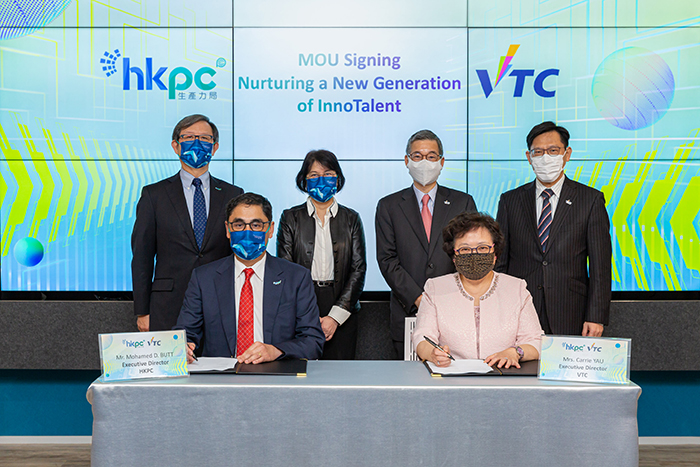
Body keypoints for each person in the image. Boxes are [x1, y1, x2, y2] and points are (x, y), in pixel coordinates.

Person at [175, 193, 325, 363]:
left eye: (256, 225)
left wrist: (275, 351)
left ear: (270, 229)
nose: (247, 232)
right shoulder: (204, 278)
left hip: (276, 374)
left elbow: (313, 341)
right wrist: (183, 347)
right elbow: (185, 332)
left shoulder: (296, 277)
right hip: (221, 379)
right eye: (239, 225)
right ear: (228, 229)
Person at [495, 121, 612, 337]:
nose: (545, 158)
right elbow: (500, 262)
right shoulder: (510, 200)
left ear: (566, 154)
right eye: (538, 152)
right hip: (519, 309)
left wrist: (596, 316)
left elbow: (600, 266)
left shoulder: (590, 200)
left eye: (553, 151)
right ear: (529, 157)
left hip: (571, 311)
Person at [131, 114, 243, 332]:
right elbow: (142, 257)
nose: (197, 143)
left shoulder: (233, 194)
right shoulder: (154, 195)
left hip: (221, 302)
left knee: (220, 365)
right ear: (176, 146)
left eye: (204, 138)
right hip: (168, 305)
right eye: (189, 137)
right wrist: (143, 311)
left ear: (215, 146)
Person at [376, 129, 477, 359]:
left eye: (431, 157)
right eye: (417, 156)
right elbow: (387, 259)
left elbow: (469, 256)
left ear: (441, 162)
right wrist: (419, 298)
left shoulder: (463, 202)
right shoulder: (388, 206)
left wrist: (445, 298)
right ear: (406, 160)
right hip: (408, 312)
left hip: (455, 311)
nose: (424, 162)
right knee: (409, 385)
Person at [414, 212, 543, 368]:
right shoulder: (435, 288)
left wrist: (515, 352)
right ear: (454, 256)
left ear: (495, 253)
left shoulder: (517, 289)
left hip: (503, 378)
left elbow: (536, 342)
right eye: (465, 250)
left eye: (482, 248)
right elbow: (422, 338)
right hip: (452, 379)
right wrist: (432, 353)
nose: (474, 254)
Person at [277, 150, 366, 360]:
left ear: (338, 178)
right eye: (314, 175)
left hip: (342, 306)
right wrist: (307, 316)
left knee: (341, 379)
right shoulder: (290, 218)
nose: (321, 179)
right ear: (304, 180)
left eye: (328, 173)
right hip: (301, 305)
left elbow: (358, 269)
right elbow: (285, 268)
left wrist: (334, 317)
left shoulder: (351, 218)